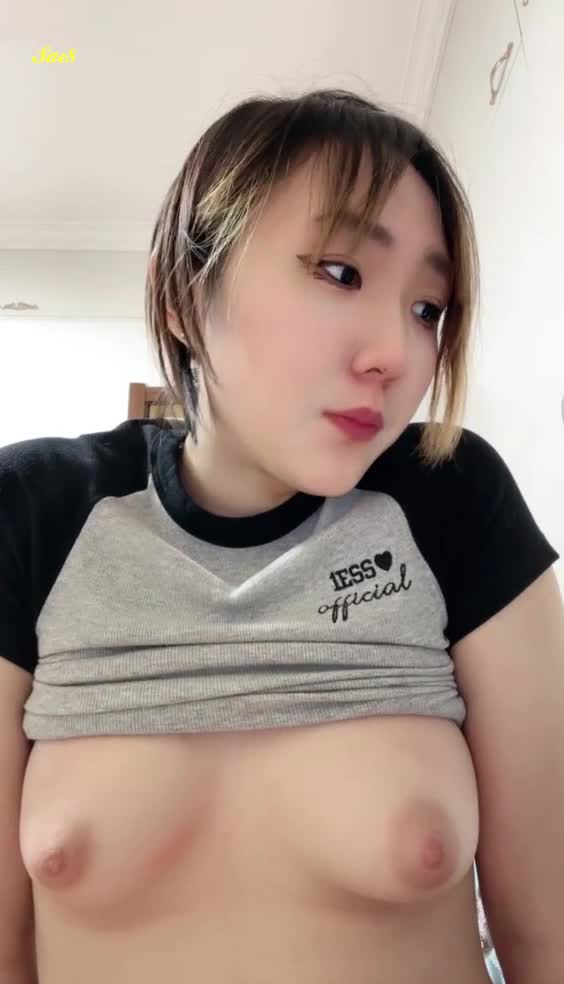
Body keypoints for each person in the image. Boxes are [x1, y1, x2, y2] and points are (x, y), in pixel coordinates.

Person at [0, 89, 562, 984]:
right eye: (341, 272)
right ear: (185, 291)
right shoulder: (37, 511)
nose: (397, 353)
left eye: (429, 309)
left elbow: (549, 937)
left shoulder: (452, 499)